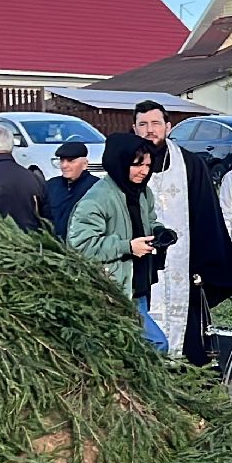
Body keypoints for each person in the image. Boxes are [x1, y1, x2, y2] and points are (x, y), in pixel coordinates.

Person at [132, 99, 232, 366]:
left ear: (168, 126)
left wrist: (204, 266)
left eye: (155, 123)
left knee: (191, 340)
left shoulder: (189, 164)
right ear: (134, 129)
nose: (150, 130)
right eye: (143, 124)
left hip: (184, 269)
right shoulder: (129, 165)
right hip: (141, 269)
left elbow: (207, 216)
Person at [67, 133, 169, 351]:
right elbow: (80, 246)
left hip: (137, 286)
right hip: (112, 291)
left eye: (148, 165)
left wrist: (160, 233)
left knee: (128, 352)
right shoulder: (96, 199)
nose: (144, 171)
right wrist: (128, 247)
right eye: (137, 165)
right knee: (157, 344)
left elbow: (148, 221)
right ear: (120, 162)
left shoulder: (141, 192)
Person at [43, 142, 97, 239]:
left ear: (85, 164)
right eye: (62, 160)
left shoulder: (96, 188)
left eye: (70, 161)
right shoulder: (51, 185)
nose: (64, 165)